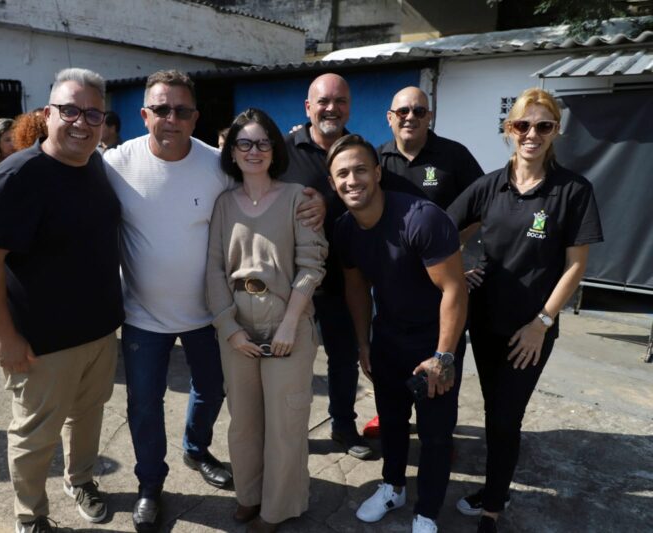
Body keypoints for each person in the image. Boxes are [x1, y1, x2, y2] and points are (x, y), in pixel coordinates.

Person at [103, 69, 324, 533]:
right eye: (161, 109)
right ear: (143, 114)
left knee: (215, 395)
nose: (171, 118)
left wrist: (317, 200)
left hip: (208, 317)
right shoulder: (115, 163)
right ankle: (149, 487)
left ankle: (197, 450)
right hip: (151, 315)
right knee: (145, 405)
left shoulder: (215, 167)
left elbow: (283, 218)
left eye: (182, 110)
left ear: (196, 117)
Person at [0, 68, 124, 533]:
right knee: (35, 436)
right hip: (41, 343)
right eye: (70, 110)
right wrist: (6, 337)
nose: (82, 122)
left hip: (99, 331)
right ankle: (30, 517)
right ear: (47, 114)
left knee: (88, 417)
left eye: (92, 113)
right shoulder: (18, 176)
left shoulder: (97, 165)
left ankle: (80, 482)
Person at [447, 88, 603, 533]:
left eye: (543, 126)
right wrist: (460, 270)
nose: (531, 134)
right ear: (508, 130)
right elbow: (442, 233)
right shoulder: (489, 186)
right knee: (495, 410)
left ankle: (492, 509)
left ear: (556, 131)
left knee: (505, 416)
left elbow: (576, 269)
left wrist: (542, 323)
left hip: (532, 327)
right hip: (486, 320)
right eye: (522, 125)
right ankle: (496, 487)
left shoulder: (572, 190)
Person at [329, 134, 468, 533]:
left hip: (433, 341)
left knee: (436, 435)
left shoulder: (421, 219)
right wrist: (363, 343)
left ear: (377, 173)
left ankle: (427, 510)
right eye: (342, 174)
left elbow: (454, 289)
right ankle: (392, 487)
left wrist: (444, 357)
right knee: (391, 422)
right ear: (333, 184)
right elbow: (355, 286)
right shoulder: (345, 228)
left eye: (359, 170)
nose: (352, 180)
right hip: (387, 336)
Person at [206, 108, 328, 533]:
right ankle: (249, 495)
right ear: (232, 152)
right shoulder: (224, 204)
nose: (253, 151)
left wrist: (291, 324)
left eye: (262, 143)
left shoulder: (299, 198)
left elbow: (312, 264)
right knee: (244, 423)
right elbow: (214, 270)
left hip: (287, 322)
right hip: (237, 326)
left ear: (274, 149)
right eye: (244, 143)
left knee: (285, 423)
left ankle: (277, 509)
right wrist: (229, 327)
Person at [364, 85, 484, 438]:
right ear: (390, 118)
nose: (410, 117)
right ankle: (389, 415)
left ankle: (439, 431)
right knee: (392, 352)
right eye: (402, 111)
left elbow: (482, 206)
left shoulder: (454, 156)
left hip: (440, 280)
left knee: (443, 350)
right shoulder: (379, 159)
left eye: (419, 111)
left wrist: (452, 246)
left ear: (430, 116)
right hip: (395, 280)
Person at [280, 73, 373, 459]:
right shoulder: (282, 150)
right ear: (308, 107)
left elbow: (371, 199)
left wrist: (328, 203)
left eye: (339, 101)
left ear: (349, 107)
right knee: (290, 362)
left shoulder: (360, 151)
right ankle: (286, 431)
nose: (331, 108)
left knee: (343, 357)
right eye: (323, 101)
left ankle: (343, 426)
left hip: (343, 278)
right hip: (292, 281)